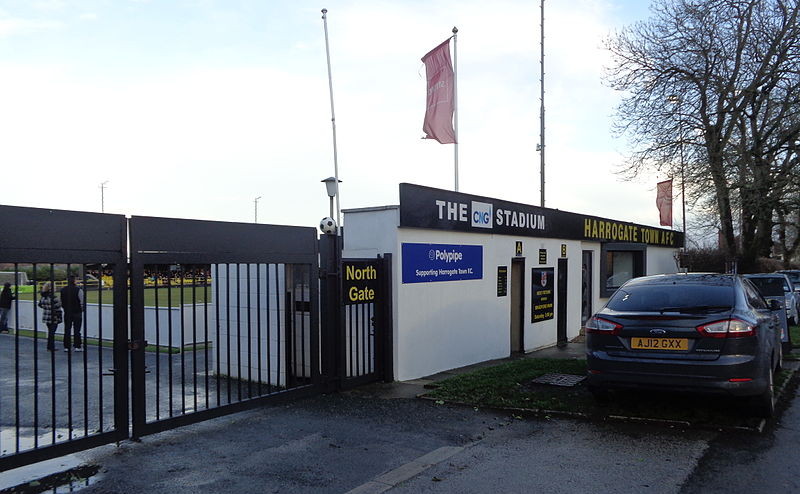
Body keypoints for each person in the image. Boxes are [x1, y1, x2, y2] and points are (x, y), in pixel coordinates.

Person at [60, 275, 84, 352]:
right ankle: (77, 346)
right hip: (77, 312)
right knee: (77, 330)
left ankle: (66, 346)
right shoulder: (78, 290)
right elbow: (82, 302)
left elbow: (61, 302)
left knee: (67, 329)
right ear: (74, 281)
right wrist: (81, 309)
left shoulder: (63, 290)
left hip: (67, 312)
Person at [38, 282, 62, 352]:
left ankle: (49, 346)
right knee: (52, 332)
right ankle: (51, 347)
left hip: (46, 316)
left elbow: (40, 304)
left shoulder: (43, 296)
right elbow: (58, 306)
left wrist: (46, 308)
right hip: (54, 316)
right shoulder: (53, 297)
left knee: (50, 332)